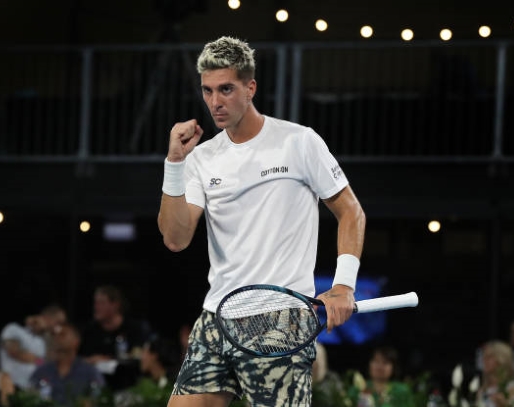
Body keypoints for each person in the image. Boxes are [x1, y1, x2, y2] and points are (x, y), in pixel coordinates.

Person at [157, 36, 366, 407]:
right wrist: (174, 165)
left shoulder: (299, 142)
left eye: (226, 89)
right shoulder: (200, 159)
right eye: (207, 91)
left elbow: (351, 210)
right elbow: (175, 239)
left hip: (280, 321)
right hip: (217, 316)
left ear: (250, 87)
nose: (215, 102)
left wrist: (343, 285)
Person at [79, 285, 153, 390]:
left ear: (115, 305)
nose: (96, 307)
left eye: (102, 303)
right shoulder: (90, 330)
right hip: (96, 383)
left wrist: (107, 359)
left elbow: (138, 356)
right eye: (95, 303)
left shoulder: (134, 329)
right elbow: (79, 357)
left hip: (128, 383)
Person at [29, 323, 106, 407]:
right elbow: (29, 398)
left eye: (62, 334)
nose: (57, 338)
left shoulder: (90, 372)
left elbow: (100, 399)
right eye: (54, 335)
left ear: (76, 341)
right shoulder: (41, 372)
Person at [0, 304, 67, 390]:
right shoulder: (14, 329)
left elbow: (52, 363)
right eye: (58, 323)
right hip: (12, 387)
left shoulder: (44, 340)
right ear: (47, 318)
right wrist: (40, 361)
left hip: (34, 391)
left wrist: (49, 335)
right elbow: (14, 352)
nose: (59, 328)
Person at [347, 346, 414, 407]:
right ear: (369, 364)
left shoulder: (401, 391)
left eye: (385, 362)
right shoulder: (357, 390)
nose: (380, 367)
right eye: (376, 361)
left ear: (393, 367)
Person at [475, 340, 514, 407]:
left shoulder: (513, 387)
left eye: (489, 357)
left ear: (501, 359)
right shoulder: (482, 390)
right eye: (484, 356)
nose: (484, 360)